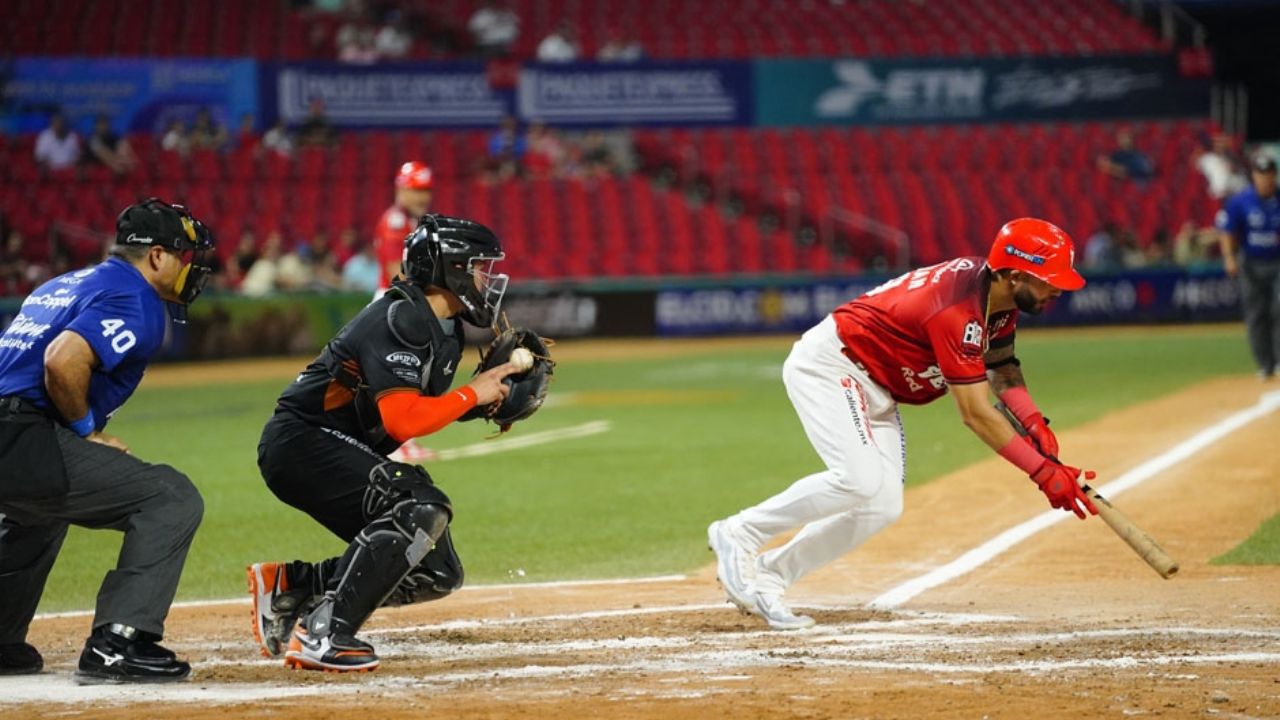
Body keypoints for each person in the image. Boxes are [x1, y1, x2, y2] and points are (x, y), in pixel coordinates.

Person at [707, 218, 1097, 630]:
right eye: (1049, 280)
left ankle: (771, 578)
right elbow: (976, 413)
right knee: (858, 480)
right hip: (834, 365)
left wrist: (1034, 422)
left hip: (877, 385)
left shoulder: (996, 300)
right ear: (1015, 273)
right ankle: (740, 533)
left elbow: (1000, 364)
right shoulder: (957, 309)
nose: (1058, 288)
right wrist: (1041, 472)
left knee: (882, 505)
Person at [246, 214, 519, 672]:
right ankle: (324, 635)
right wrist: (475, 392)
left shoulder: (444, 329)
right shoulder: (402, 317)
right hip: (300, 442)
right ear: (449, 269)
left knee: (435, 572)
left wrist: (484, 402)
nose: (484, 279)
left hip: (335, 444)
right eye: (476, 267)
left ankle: (293, 586)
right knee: (418, 506)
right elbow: (403, 419)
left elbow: (416, 410)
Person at [0, 199, 216, 681]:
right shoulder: (134, 296)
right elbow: (63, 360)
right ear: (156, 256)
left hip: (14, 433)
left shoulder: (65, 284)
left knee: (42, 512)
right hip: (17, 435)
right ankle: (118, 642)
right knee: (171, 498)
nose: (190, 268)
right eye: (185, 256)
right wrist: (87, 432)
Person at [374, 161, 436, 462]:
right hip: (393, 304)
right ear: (401, 189)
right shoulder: (396, 221)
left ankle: (402, 443)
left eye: (425, 189)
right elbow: (394, 272)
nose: (422, 196)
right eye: (416, 189)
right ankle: (397, 446)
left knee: (406, 376)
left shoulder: (413, 221)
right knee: (399, 378)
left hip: (400, 303)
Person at [1217, 153, 1280, 380]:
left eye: (1269, 176)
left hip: (1277, 262)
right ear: (1254, 176)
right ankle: (1265, 364)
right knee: (1256, 314)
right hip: (1251, 263)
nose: (1265, 181)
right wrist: (1229, 258)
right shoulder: (1240, 201)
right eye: (1261, 176)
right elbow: (1227, 230)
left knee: (1279, 307)